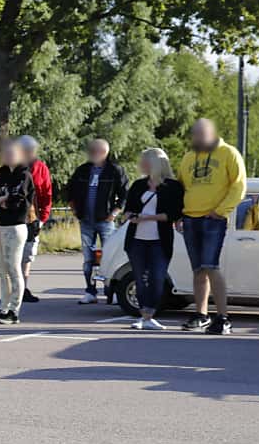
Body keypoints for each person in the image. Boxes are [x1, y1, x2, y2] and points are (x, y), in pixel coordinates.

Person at [175, 117, 248, 334]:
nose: (198, 137)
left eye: (202, 133)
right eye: (195, 134)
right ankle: (201, 314)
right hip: (190, 218)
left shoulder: (228, 153)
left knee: (211, 266)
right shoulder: (189, 157)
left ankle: (223, 317)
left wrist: (220, 211)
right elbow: (180, 187)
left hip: (213, 219)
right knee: (198, 269)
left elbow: (239, 185)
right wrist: (178, 214)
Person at [121, 148, 183, 330]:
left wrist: (147, 217)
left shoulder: (173, 186)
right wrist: (131, 216)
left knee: (157, 277)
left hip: (160, 240)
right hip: (136, 239)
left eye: (144, 161)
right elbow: (128, 209)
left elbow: (173, 214)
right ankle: (144, 316)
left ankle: (150, 314)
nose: (141, 164)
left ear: (154, 163)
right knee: (140, 278)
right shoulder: (138, 185)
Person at [65, 138, 129, 303]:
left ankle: (112, 292)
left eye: (96, 150)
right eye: (91, 150)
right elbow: (70, 190)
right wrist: (75, 209)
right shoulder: (82, 170)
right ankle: (90, 291)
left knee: (110, 257)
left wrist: (114, 213)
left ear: (104, 152)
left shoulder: (115, 171)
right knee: (88, 259)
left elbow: (124, 194)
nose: (92, 153)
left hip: (105, 221)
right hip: (86, 220)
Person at [0, 140, 34, 324]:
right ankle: (3, 308)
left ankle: (14, 311)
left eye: (12, 153)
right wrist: (2, 200)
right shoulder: (3, 173)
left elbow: (17, 201)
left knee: (13, 268)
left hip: (15, 226)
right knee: (2, 271)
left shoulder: (25, 175)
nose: (7, 156)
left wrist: (3, 200)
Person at [16, 135, 53, 302]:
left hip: (32, 218)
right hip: (14, 218)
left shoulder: (40, 168)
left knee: (28, 255)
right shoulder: (11, 166)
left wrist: (43, 217)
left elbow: (46, 192)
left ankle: (23, 288)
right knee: (13, 255)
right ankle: (14, 289)